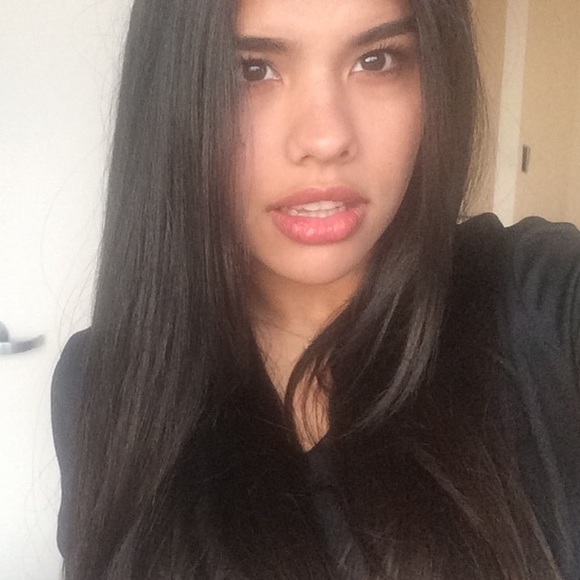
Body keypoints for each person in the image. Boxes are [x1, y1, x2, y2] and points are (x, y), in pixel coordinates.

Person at [51, 0, 580, 578]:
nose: (326, 139)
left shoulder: (537, 304)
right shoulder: (101, 381)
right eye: (251, 69)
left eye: (377, 60)